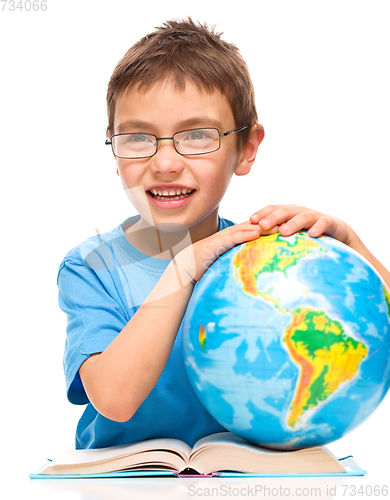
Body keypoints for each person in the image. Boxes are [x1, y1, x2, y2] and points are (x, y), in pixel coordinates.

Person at [57, 18, 390, 450]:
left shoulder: (270, 260)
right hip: (126, 485)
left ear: (247, 149)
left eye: (196, 136)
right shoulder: (90, 268)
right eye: (138, 138)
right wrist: (182, 270)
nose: (165, 163)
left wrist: (351, 246)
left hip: (254, 479)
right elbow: (115, 400)